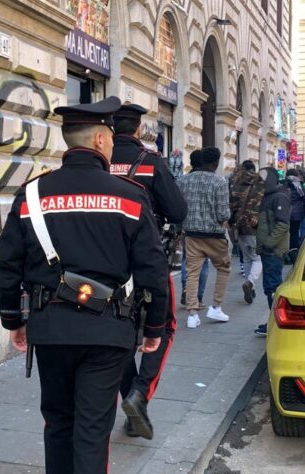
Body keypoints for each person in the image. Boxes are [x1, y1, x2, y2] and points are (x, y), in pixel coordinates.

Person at [0, 96, 169, 474]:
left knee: (58, 427)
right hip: (108, 334)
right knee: (91, 435)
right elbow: (152, 269)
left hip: (51, 330)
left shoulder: (32, 194)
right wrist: (155, 328)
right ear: (102, 140)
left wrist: (13, 320)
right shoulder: (130, 196)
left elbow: (7, 264)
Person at [110, 103, 187, 440]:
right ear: (139, 128)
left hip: (106, 262)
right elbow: (178, 211)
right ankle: (140, 394)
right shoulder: (150, 162)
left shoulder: (101, 160)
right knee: (164, 326)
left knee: (121, 330)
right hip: (146, 257)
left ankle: (132, 399)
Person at [177, 147, 232, 329]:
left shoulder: (184, 180)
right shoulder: (219, 182)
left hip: (191, 234)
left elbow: (179, 207)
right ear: (216, 163)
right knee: (223, 268)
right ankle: (216, 306)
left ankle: (192, 314)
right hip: (214, 235)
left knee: (192, 273)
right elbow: (223, 214)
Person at [254, 167, 291, 336]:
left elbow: (282, 224)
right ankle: (274, 322)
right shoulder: (269, 196)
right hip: (268, 250)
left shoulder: (278, 197)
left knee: (273, 287)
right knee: (271, 287)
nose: (260, 183)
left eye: (263, 180)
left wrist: (268, 244)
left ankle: (276, 324)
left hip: (273, 251)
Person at [229, 160, 265, 304]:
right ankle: (250, 282)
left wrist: (231, 222)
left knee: (247, 258)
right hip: (255, 225)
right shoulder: (261, 182)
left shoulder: (235, 181)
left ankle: (250, 286)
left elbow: (231, 205)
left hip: (240, 225)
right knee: (257, 258)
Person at [179, 150, 210, 307]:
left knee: (187, 260)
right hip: (207, 230)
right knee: (203, 262)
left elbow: (176, 205)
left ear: (191, 163)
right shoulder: (212, 181)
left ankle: (186, 288)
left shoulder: (182, 181)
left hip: (187, 228)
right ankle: (198, 297)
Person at [286, 168, 305, 257]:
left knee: (287, 232)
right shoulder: (298, 185)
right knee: (295, 232)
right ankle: (293, 251)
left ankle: (287, 250)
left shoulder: (284, 184)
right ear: (296, 175)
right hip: (296, 214)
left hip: (285, 213)